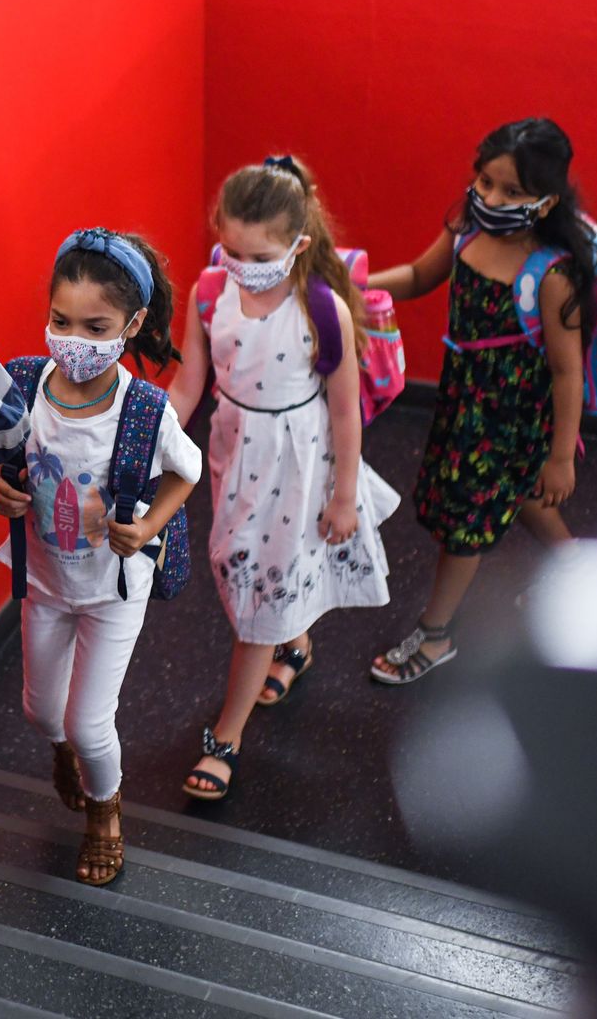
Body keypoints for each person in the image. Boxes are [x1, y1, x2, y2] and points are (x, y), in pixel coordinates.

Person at [166, 156, 399, 798]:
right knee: (244, 567)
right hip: (235, 453)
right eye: (230, 249)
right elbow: (189, 383)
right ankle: (292, 643)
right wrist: (146, 445)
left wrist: (346, 495)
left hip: (299, 463)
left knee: (252, 605)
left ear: (299, 244)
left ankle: (226, 737)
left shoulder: (323, 309)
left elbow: (346, 409)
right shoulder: (210, 293)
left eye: (259, 253)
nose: (242, 264)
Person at [0, 228, 200, 884]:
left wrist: (147, 529)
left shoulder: (143, 409)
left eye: (95, 326)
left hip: (113, 589)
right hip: (47, 583)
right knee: (41, 711)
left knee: (88, 723)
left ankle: (105, 814)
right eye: (60, 320)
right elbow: (8, 469)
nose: (73, 340)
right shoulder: (24, 385)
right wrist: (3, 495)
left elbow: (184, 472)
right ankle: (66, 752)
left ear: (133, 324)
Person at [366, 119, 597, 684]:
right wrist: (357, 285)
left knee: (465, 523)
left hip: (514, 415)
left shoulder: (551, 274)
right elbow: (422, 275)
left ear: (546, 201)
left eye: (512, 192)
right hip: (465, 401)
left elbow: (568, 372)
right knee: (519, 496)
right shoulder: (467, 229)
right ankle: (578, 570)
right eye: (486, 182)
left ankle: (437, 633)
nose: (492, 198)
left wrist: (561, 456)